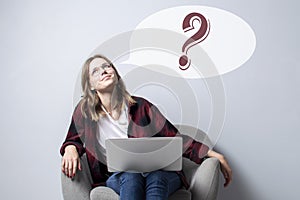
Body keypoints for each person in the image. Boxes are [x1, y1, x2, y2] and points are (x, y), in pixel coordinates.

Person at [60, 54, 232, 200]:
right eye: (95, 71)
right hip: (118, 177)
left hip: (159, 173)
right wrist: (70, 148)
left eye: (107, 66)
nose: (104, 71)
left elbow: (174, 138)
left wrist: (210, 153)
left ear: (116, 74)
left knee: (156, 179)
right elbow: (73, 139)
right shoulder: (85, 112)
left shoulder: (141, 106)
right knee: (131, 176)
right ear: (90, 85)